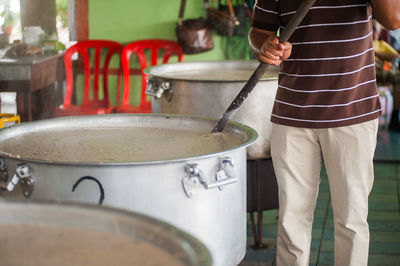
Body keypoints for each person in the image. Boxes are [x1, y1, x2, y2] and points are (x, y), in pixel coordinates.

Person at [248, 1, 400, 266]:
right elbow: (259, 31)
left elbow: (393, 20)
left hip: (352, 111)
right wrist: (265, 45)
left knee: (352, 218)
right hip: (293, 112)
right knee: (291, 218)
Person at [372, 19, 400, 131]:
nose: (374, 32)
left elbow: (397, 57)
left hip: (381, 71)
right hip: (368, 71)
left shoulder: (382, 44)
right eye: (372, 29)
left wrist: (375, 53)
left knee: (398, 78)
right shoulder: (362, 43)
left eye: (376, 30)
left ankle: (394, 118)